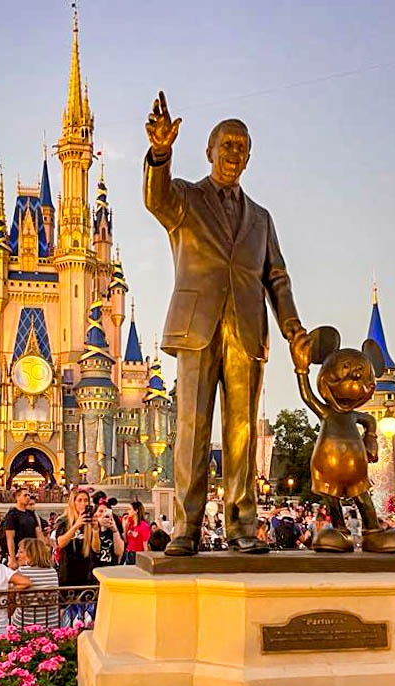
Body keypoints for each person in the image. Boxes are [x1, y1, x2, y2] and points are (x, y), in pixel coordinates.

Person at [143, 92, 308, 556]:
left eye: (242, 147)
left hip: (248, 330)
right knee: (192, 427)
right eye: (227, 145)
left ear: (250, 157)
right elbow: (155, 198)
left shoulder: (261, 218)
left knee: (242, 432)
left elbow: (277, 277)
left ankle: (240, 526)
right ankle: (186, 527)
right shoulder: (185, 199)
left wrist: (293, 328)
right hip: (197, 325)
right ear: (209, 151)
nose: (234, 153)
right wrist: (159, 154)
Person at [11, 538, 60, 629]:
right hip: (51, 624)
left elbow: (7, 593)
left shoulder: (22, 572)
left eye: (21, 552)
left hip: (25, 626)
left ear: (31, 554)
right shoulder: (52, 571)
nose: (17, 555)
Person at [2, 486, 46, 570]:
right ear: (17, 497)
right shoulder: (12, 514)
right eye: (25, 495)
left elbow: (38, 533)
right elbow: (10, 538)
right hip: (20, 553)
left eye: (29, 495)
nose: (28, 497)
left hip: (33, 553)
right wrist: (13, 558)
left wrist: (43, 551)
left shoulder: (31, 513)